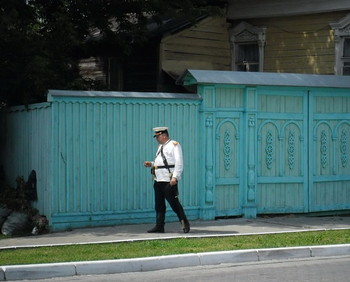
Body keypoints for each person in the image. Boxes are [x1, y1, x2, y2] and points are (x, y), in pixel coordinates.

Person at [144, 126, 190, 233]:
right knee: (159, 205)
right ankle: (159, 226)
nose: (156, 138)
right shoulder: (161, 147)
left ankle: (184, 223)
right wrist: (151, 164)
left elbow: (179, 162)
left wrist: (175, 176)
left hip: (168, 180)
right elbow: (162, 163)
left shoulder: (174, 145)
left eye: (158, 136)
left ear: (164, 135)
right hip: (158, 179)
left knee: (174, 204)